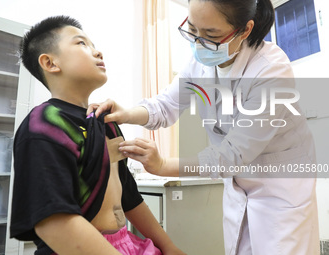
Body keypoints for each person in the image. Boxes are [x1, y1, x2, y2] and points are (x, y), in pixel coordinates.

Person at [88, 0, 320, 254]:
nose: (198, 43)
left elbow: (232, 154)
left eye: (211, 35)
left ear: (245, 29)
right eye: (193, 29)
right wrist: (127, 114)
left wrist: (164, 165)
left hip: (280, 190)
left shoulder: (271, 70)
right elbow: (167, 104)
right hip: (237, 185)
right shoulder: (200, 63)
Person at [10, 16, 186, 255]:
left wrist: (169, 246)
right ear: (50, 63)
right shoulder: (44, 124)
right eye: (82, 44)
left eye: (93, 45)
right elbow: (54, 223)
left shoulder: (105, 122)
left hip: (126, 243)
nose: (97, 52)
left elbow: (129, 196)